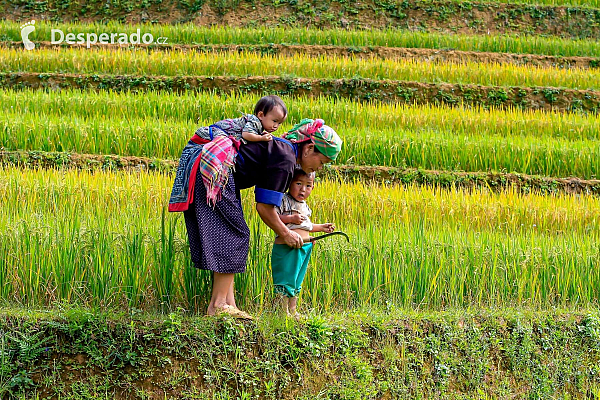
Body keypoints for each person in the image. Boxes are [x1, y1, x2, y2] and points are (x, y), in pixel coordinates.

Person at [169, 116, 342, 319]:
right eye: (322, 161)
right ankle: (218, 305)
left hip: (208, 167)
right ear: (309, 148)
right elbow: (264, 208)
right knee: (235, 234)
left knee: (230, 233)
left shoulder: (282, 152)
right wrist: (285, 233)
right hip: (215, 170)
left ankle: (227, 304)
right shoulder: (286, 159)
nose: (320, 168)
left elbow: (264, 203)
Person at [272, 168, 335, 318]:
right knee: (286, 278)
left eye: (308, 185)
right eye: (299, 183)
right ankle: (282, 311)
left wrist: (322, 227)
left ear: (313, 187)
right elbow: (273, 217)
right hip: (288, 246)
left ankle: (292, 310)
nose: (303, 189)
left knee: (297, 280)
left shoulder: (305, 205)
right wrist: (290, 219)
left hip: (305, 246)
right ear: (289, 183)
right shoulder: (284, 200)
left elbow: (308, 226)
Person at [194, 95, 286, 143]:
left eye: (279, 123)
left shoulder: (259, 125)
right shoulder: (255, 121)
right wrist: (261, 138)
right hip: (221, 130)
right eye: (274, 121)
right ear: (261, 115)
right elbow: (246, 134)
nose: (276, 126)